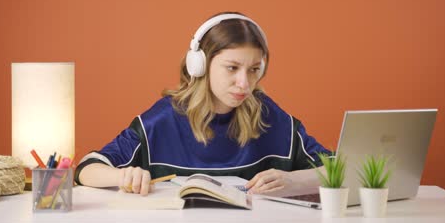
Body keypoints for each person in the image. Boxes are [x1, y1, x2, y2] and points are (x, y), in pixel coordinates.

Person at [75, 12, 330, 196]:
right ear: (200, 65)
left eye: (254, 69)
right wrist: (123, 176)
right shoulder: (162, 119)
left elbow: (340, 168)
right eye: (232, 68)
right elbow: (86, 169)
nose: (244, 83)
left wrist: (295, 181)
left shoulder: (270, 116)